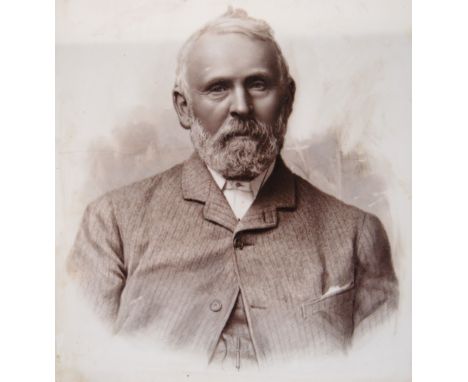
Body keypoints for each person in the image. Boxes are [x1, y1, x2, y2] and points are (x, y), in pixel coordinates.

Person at [68, 8, 398, 369]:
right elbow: (80, 362)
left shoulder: (357, 234)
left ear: (286, 100)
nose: (241, 107)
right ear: (183, 107)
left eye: (258, 84)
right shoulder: (112, 222)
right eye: (218, 88)